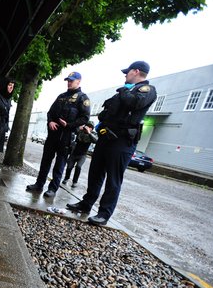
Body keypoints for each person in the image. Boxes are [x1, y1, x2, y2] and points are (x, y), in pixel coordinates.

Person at [67, 61, 157, 226]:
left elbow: (134, 103)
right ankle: (86, 204)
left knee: (113, 179)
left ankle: (104, 214)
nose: (125, 75)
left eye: (127, 72)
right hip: (105, 137)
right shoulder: (126, 90)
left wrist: (124, 90)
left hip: (122, 141)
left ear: (136, 71)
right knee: (95, 173)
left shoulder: (147, 90)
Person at [26, 71, 91, 197]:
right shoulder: (61, 96)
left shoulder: (83, 98)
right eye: (68, 80)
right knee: (45, 162)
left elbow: (84, 118)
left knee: (59, 165)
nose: (69, 82)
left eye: (71, 80)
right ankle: (39, 184)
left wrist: (69, 125)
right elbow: (50, 112)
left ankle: (52, 189)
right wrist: (50, 121)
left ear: (79, 81)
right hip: (53, 135)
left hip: (67, 137)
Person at [62, 121, 98, 188]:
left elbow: (96, 141)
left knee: (78, 167)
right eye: (87, 126)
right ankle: (66, 178)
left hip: (82, 155)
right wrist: (79, 127)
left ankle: (75, 182)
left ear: (92, 128)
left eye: (90, 127)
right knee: (69, 167)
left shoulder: (93, 134)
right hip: (74, 153)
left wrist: (89, 133)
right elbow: (73, 130)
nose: (88, 128)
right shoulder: (80, 131)